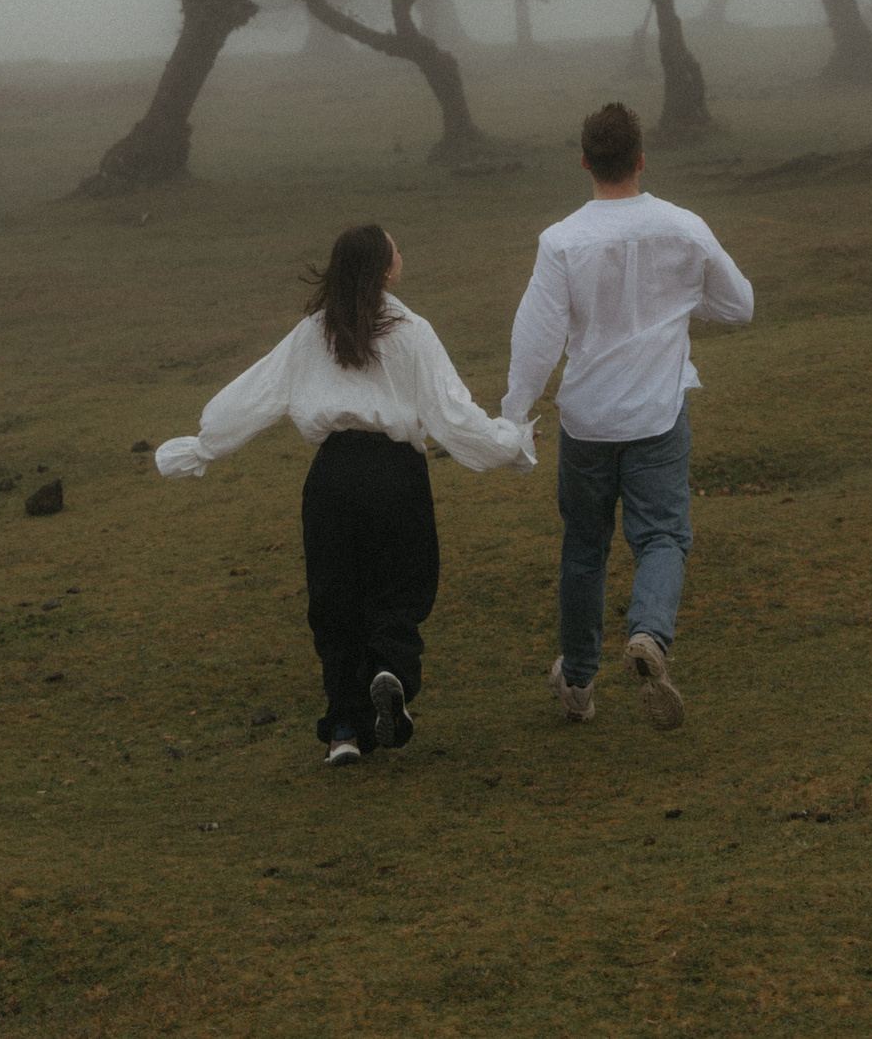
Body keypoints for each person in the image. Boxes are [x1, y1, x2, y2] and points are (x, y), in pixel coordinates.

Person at [157, 223, 535, 766]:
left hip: (330, 478)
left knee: (335, 599)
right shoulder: (412, 331)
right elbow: (452, 416)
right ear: (386, 269)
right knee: (399, 586)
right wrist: (511, 443)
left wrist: (203, 446)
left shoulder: (312, 332)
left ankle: (343, 730)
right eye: (396, 249)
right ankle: (391, 673)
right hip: (395, 475)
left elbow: (256, 393)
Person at [502, 103, 753, 731]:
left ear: (585, 160)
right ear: (641, 159)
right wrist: (681, 305)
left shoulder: (560, 241)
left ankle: (579, 682)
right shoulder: (685, 227)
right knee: (663, 536)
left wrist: (512, 418)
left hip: (587, 421)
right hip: (659, 415)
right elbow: (739, 304)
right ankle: (649, 635)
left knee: (584, 548)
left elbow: (537, 339)